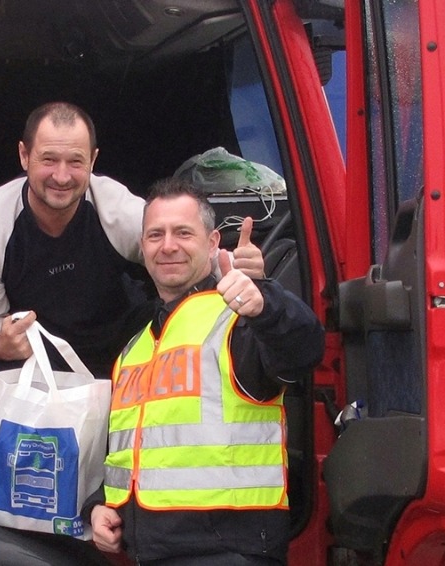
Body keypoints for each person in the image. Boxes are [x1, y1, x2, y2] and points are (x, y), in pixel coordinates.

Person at [87, 178, 325, 565]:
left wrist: (265, 298)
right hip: (152, 553)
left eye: (183, 232)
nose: (168, 246)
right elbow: (136, 454)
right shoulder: (136, 347)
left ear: (213, 243)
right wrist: (99, 506)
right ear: (142, 246)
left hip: (228, 551)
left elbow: (303, 349)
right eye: (155, 235)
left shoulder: (239, 320)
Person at [0, 101, 265, 378]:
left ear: (93, 160)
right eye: (48, 159)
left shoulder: (113, 205)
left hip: (123, 357)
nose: (62, 177)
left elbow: (178, 255)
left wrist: (234, 268)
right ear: (24, 155)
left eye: (75, 162)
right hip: (37, 371)